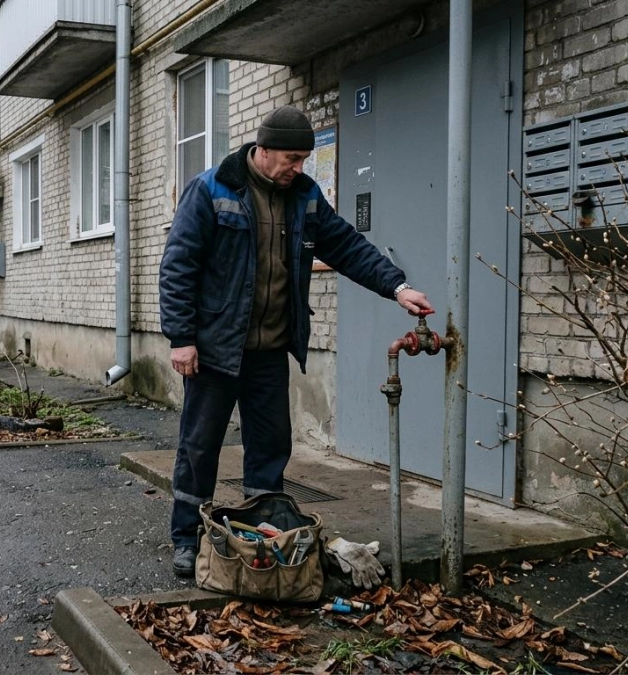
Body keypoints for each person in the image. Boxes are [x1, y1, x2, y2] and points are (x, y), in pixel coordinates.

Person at [159, 105, 433, 578]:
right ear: (263, 150)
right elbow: (178, 267)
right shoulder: (211, 190)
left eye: (304, 159)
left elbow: (346, 246)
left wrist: (397, 287)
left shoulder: (304, 196)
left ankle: (263, 537)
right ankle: (187, 537)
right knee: (199, 447)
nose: (299, 168)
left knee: (270, 449)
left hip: (269, 349)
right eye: (292, 158)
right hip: (215, 349)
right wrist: (181, 338)